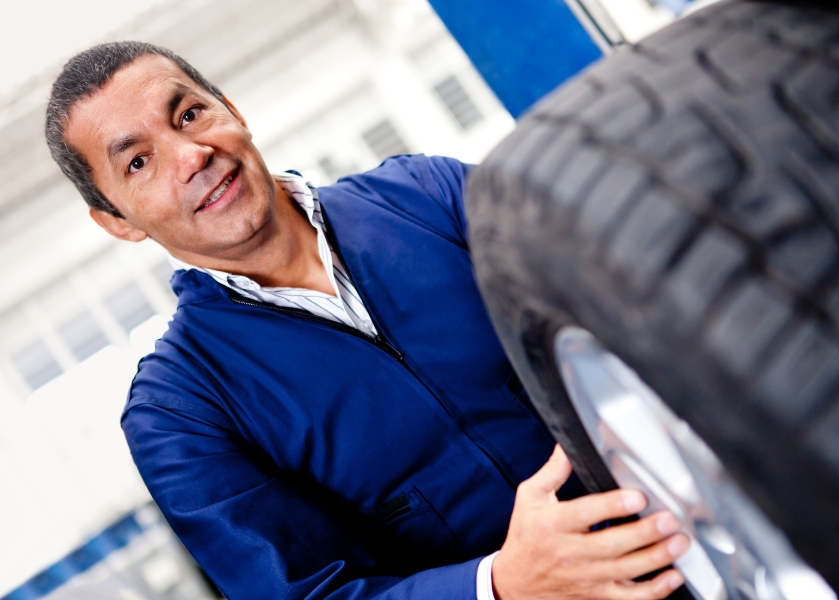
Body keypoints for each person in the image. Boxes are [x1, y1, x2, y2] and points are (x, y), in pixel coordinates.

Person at [45, 41, 690, 600]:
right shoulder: (180, 413)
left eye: (190, 114)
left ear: (232, 110)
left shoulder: (431, 197)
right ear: (118, 221)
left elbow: (635, 302)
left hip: (705, 527)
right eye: (138, 162)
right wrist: (501, 585)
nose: (191, 155)